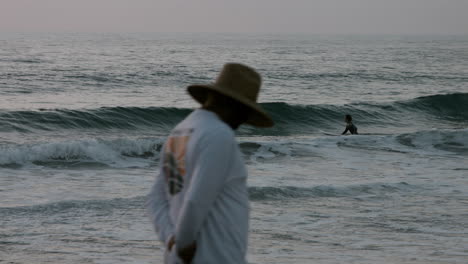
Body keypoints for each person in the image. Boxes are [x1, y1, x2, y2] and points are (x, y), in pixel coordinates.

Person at [146, 63, 274, 264]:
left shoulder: (180, 132)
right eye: (244, 111)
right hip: (216, 255)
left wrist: (171, 239)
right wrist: (184, 243)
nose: (243, 121)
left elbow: (155, 198)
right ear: (232, 104)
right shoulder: (219, 135)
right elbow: (197, 198)